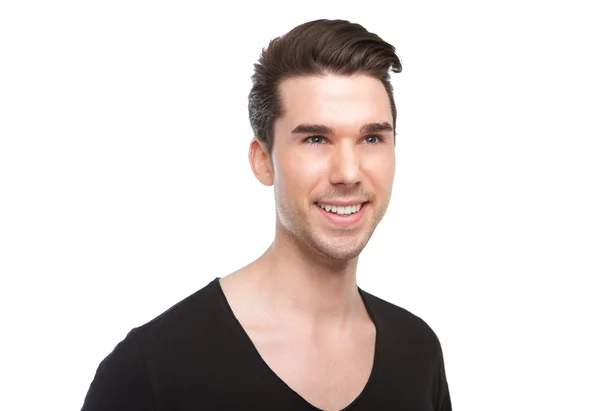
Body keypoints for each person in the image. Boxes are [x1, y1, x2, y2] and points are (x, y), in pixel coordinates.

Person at [81, 19, 452, 411]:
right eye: (315, 139)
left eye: (372, 138)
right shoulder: (151, 370)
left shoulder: (418, 352)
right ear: (263, 161)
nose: (348, 172)